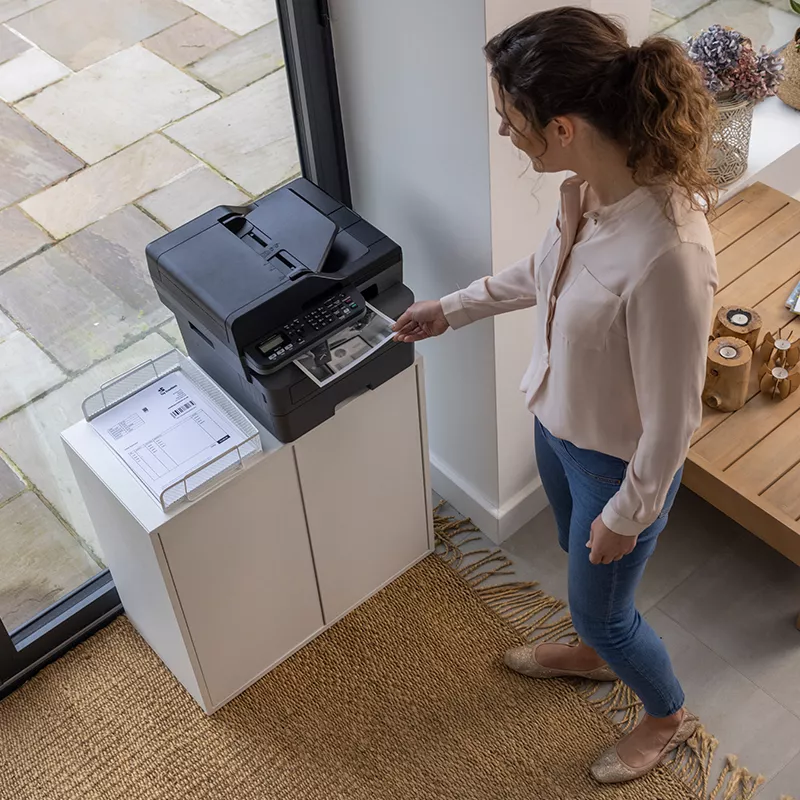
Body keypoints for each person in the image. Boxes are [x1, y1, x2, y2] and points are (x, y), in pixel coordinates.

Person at [392, 7, 718, 785]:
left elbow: (675, 420)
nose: (504, 132)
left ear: (563, 128)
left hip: (615, 470)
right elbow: (544, 275)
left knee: (607, 609)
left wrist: (626, 514)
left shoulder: (670, 257)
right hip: (557, 431)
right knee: (586, 583)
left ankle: (665, 714)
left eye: (511, 119)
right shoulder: (588, 194)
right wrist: (452, 308)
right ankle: (594, 650)